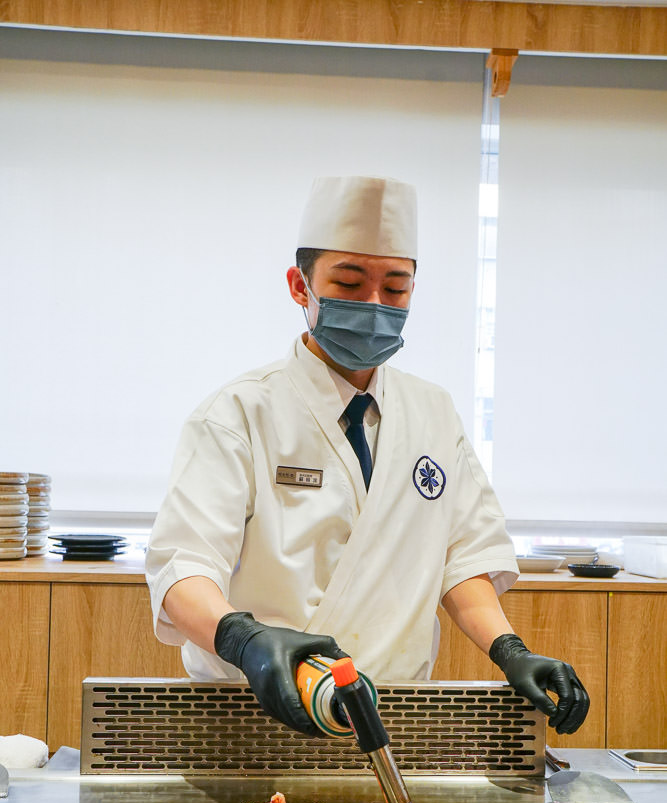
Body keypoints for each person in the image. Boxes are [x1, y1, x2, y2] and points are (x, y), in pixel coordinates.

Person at [146, 175, 589, 739]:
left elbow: (462, 559)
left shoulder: (433, 412)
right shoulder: (236, 415)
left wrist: (511, 651)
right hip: (251, 716)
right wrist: (245, 640)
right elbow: (183, 568)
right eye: (350, 283)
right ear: (299, 286)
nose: (374, 305)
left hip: (395, 718)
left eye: (396, 288)